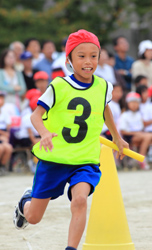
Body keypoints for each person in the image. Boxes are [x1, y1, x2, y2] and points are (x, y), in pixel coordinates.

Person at [13, 29, 128, 250]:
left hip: (85, 158)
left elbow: (105, 110)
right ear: (69, 60)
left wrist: (117, 136)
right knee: (34, 217)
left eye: (93, 56)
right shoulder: (59, 86)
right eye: (81, 56)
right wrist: (45, 133)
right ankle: (24, 202)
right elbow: (35, 116)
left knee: (80, 200)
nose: (88, 61)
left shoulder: (104, 86)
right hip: (55, 159)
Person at [119, 92, 152, 169]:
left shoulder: (139, 114)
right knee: (148, 137)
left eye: (136, 102)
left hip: (140, 135)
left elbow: (141, 128)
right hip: (130, 137)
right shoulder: (125, 115)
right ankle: (141, 159)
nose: (134, 104)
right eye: (132, 102)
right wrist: (136, 133)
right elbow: (123, 131)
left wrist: (139, 133)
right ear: (127, 103)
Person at [0, 91, 13, 175]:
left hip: (2, 138)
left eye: (2, 98)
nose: (1, 100)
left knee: (8, 147)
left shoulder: (4, 113)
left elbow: (8, 129)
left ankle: (2, 167)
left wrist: (4, 135)